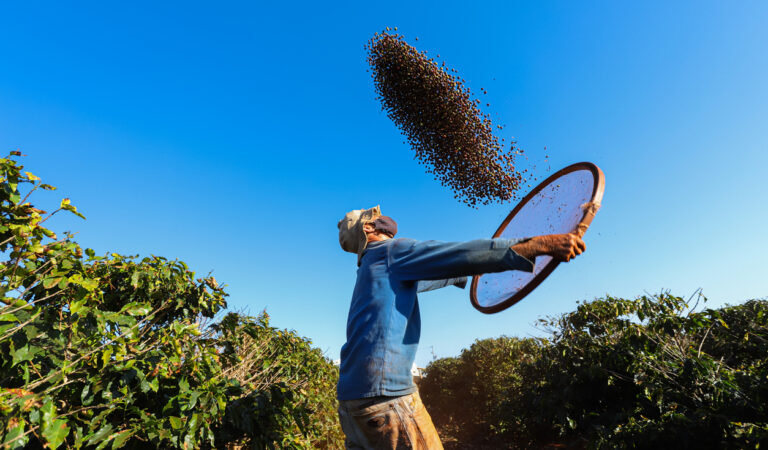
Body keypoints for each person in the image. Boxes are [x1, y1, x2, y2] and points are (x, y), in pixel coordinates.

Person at [336, 205, 586, 450]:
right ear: (368, 228)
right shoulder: (391, 251)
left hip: (352, 405)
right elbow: (459, 253)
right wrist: (539, 245)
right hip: (385, 400)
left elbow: (434, 271)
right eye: (375, 219)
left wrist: (466, 273)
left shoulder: (371, 268)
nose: (384, 221)